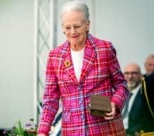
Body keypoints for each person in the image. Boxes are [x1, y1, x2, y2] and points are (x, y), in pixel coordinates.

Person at [37, 1, 129, 135]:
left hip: (106, 129)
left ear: (87, 25)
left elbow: (122, 85)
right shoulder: (54, 56)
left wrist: (115, 103)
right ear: (62, 27)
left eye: (77, 26)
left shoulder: (105, 49)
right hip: (73, 130)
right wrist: (42, 131)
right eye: (68, 28)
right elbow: (50, 99)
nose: (72, 32)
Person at [122, 63, 154, 136]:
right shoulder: (121, 94)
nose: (130, 77)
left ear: (140, 75)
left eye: (134, 73)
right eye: (127, 73)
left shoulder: (146, 94)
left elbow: (147, 121)